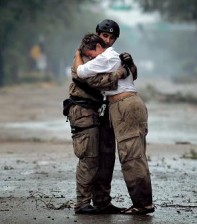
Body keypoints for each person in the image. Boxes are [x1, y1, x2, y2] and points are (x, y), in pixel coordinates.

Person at [74, 33, 155, 215]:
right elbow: (131, 74)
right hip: (120, 107)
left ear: (97, 48)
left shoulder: (105, 56)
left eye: (90, 55)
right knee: (125, 155)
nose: (90, 59)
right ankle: (118, 202)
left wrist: (78, 55)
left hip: (124, 106)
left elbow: (80, 72)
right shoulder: (115, 57)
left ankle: (143, 204)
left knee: (131, 157)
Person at [64, 20, 134, 214]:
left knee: (106, 158)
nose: (108, 40)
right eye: (104, 36)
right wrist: (119, 73)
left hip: (102, 112)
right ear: (97, 36)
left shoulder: (109, 57)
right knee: (89, 157)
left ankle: (102, 202)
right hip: (83, 110)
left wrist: (129, 63)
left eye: (112, 38)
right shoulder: (84, 54)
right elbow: (93, 81)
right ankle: (83, 203)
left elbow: (132, 77)